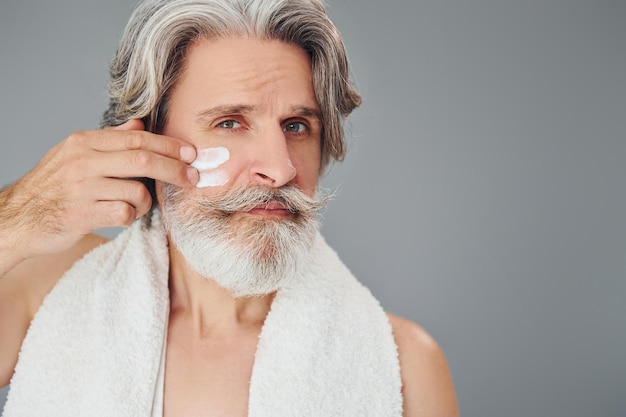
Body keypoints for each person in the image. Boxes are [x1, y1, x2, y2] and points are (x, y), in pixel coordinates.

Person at [0, 0, 458, 415]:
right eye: (230, 122)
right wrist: (16, 216)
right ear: (145, 138)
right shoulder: (42, 291)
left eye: (297, 126)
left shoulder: (406, 367)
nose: (279, 170)